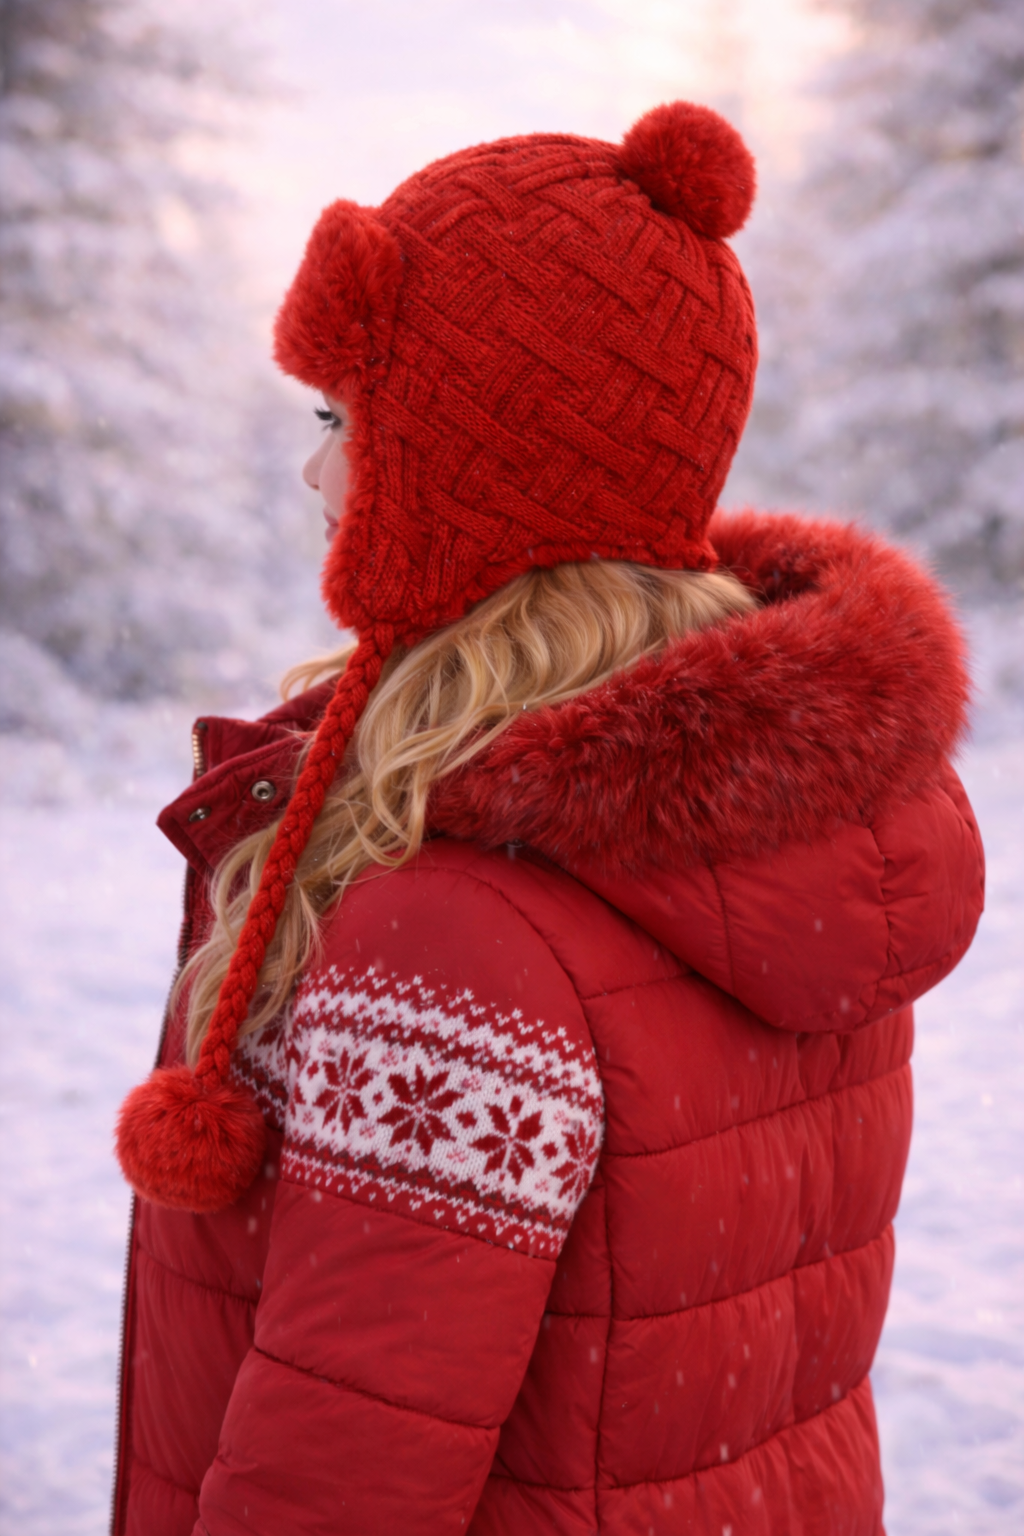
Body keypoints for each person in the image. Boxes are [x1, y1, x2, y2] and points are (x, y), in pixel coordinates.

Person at [110, 101, 984, 1536]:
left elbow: (346, 1470)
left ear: (468, 473)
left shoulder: (457, 934)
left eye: (345, 420)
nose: (313, 473)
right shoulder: (783, 836)